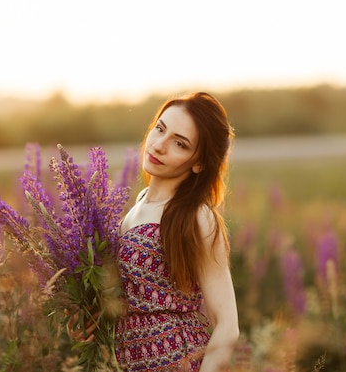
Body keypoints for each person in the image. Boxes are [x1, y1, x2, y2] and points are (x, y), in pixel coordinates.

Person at [70, 92, 240, 371]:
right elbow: (137, 297)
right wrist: (91, 319)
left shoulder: (197, 216)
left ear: (198, 163)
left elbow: (228, 327)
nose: (159, 145)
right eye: (160, 129)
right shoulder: (138, 204)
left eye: (180, 144)